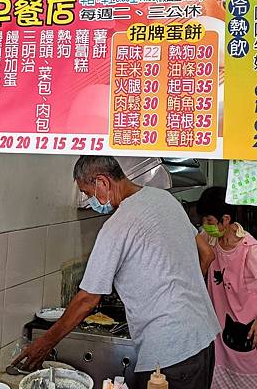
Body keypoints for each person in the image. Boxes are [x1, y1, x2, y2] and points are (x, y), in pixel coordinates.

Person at [13, 156, 221, 389]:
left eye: (89, 193)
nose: (92, 201)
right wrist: (182, 292)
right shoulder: (165, 199)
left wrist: (45, 342)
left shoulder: (118, 225)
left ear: (102, 182)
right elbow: (207, 254)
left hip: (169, 354)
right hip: (204, 337)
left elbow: (88, 299)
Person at [196, 186, 257, 389]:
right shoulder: (209, 239)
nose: (205, 226)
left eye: (210, 221)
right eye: (203, 221)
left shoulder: (250, 250)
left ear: (226, 219)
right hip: (221, 337)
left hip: (249, 334)